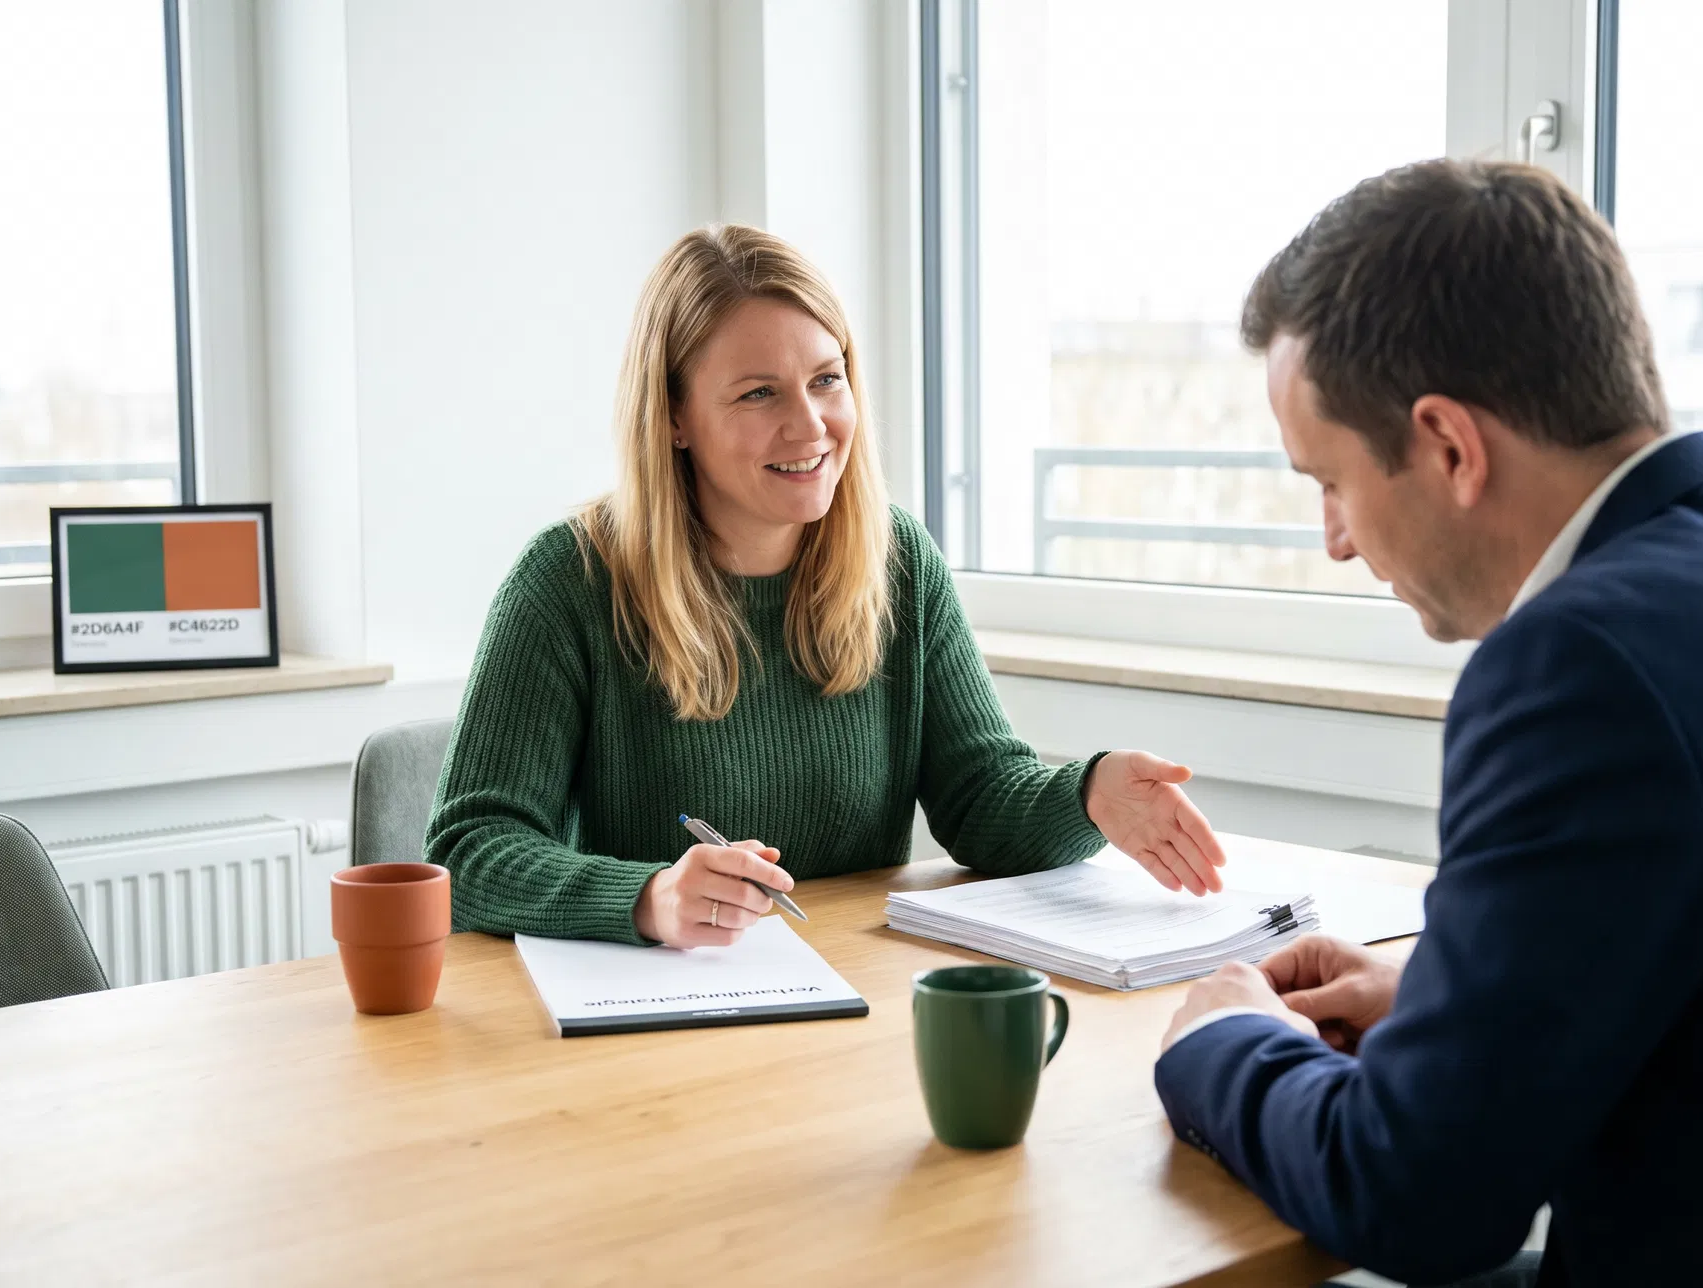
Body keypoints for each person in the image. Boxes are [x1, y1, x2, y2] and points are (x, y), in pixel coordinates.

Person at [1153, 160, 1703, 1287]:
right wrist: (1454, 995)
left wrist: (1218, 1041)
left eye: (1329, 480)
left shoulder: (1580, 665)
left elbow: (1412, 1197)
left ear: (1448, 446)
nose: (1335, 538)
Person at [427, 224, 1227, 947]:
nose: (810, 426)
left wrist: (1087, 795)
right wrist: (650, 896)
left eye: (826, 379)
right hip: (655, 1025)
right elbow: (472, 851)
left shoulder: (898, 560)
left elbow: (980, 797)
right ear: (673, 417)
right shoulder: (570, 582)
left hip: (856, 1008)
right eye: (758, 393)